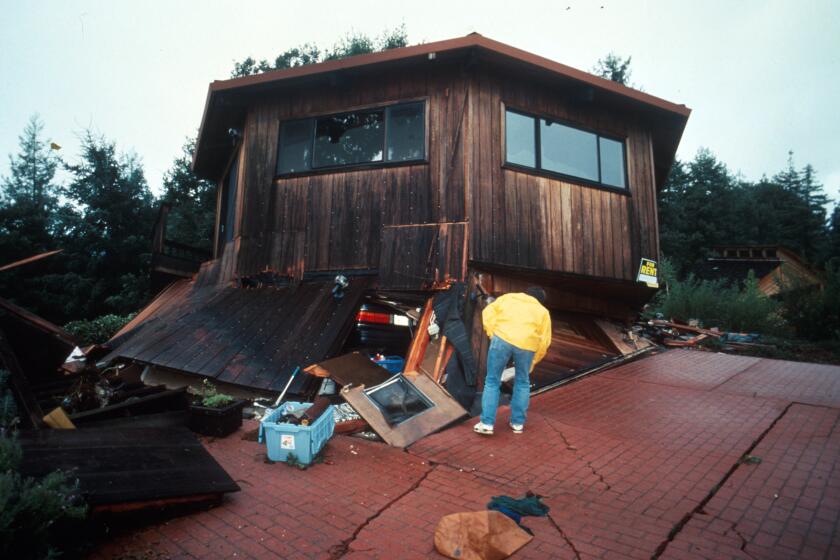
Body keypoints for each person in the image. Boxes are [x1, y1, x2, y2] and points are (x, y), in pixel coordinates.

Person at [474, 286, 552, 435]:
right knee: (523, 382)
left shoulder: (508, 298)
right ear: (539, 301)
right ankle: (517, 423)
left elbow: (487, 312)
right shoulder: (543, 312)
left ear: (525, 293)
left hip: (502, 338)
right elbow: (545, 341)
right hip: (527, 345)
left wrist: (493, 333)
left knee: (492, 380)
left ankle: (487, 423)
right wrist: (533, 361)